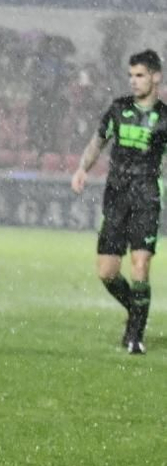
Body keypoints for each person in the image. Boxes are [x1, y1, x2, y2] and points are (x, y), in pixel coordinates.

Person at [71, 49, 167, 354]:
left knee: (141, 263)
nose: (134, 81)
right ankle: (136, 310)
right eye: (131, 75)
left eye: (140, 75)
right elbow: (97, 142)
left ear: (156, 77)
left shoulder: (165, 118)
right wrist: (82, 169)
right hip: (116, 196)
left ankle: (135, 336)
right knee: (107, 272)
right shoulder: (118, 108)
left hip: (147, 195)